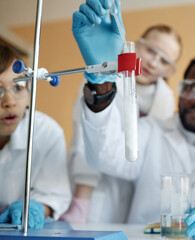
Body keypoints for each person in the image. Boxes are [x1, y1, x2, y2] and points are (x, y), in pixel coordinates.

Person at [61, 0, 182, 223]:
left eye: (165, 61)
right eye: (151, 50)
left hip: (132, 192)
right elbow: (84, 140)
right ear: (137, 44)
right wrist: (81, 200)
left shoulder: (165, 99)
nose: (154, 62)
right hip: (90, 188)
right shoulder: (102, 75)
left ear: (169, 69)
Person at [0, 45, 71, 228]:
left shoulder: (46, 132)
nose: (9, 102)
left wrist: (35, 207)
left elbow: (54, 195)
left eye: (18, 87)